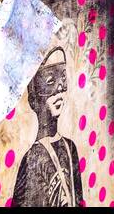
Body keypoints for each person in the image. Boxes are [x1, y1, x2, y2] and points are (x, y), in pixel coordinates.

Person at [12, 47, 83, 206]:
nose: (59, 89)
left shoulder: (70, 147)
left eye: (63, 80)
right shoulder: (33, 158)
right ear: (34, 99)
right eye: (50, 81)